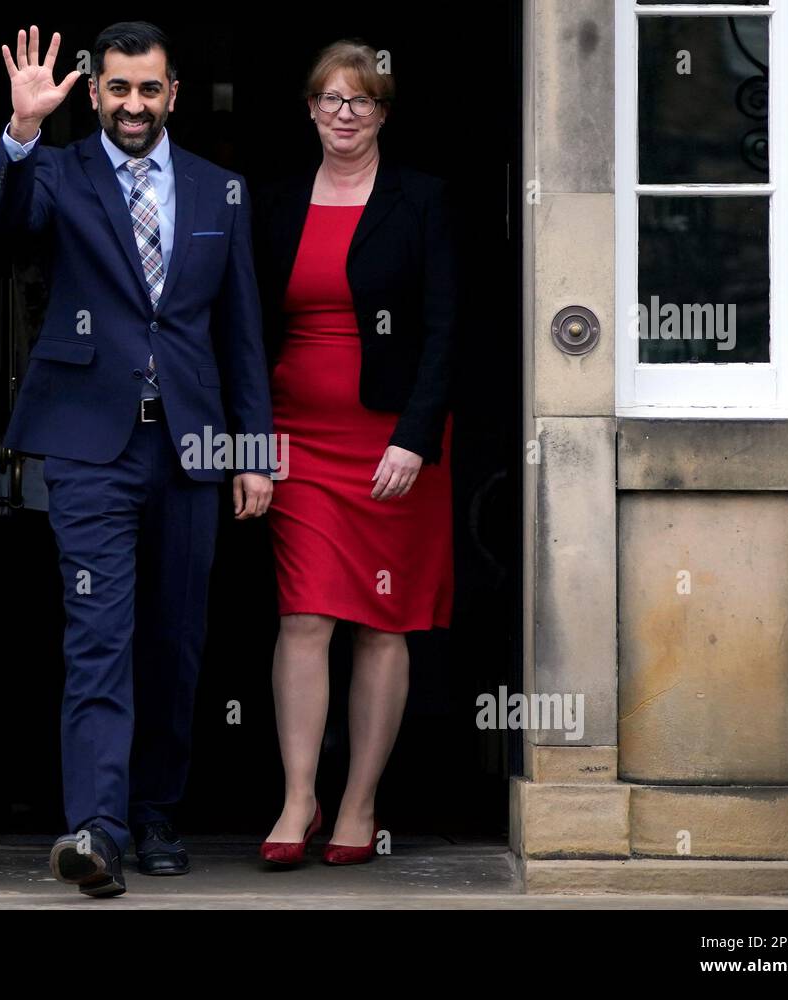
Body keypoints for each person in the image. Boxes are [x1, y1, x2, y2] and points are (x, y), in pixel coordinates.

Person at [0, 21, 274, 897]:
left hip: (191, 446)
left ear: (172, 95)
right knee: (99, 637)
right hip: (88, 447)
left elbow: (243, 334)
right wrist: (23, 132)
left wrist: (252, 453)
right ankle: (99, 831)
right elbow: (1, 219)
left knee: (177, 642)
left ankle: (155, 814)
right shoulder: (59, 174)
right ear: (94, 91)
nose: (133, 106)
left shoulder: (221, 191)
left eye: (148, 90)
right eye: (117, 89)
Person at [252, 40, 455, 866]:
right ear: (309, 108)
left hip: (392, 441)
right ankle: (298, 796)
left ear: (382, 114)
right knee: (303, 614)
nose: (345, 113)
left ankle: (360, 803)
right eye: (331, 99)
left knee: (381, 621)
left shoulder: (424, 200)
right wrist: (250, 436)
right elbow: (244, 326)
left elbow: (446, 329)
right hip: (294, 436)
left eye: (362, 101)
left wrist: (414, 435)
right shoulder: (270, 203)